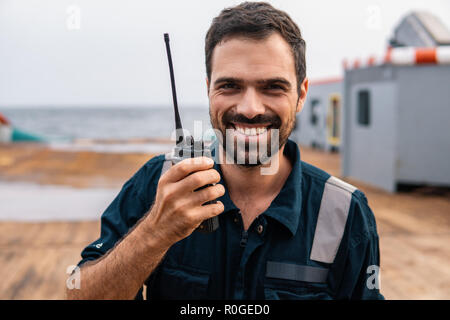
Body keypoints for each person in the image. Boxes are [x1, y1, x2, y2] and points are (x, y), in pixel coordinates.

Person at [67, 1, 383, 300]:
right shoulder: (157, 183)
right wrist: (155, 233)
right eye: (230, 86)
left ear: (301, 95)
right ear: (208, 90)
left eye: (272, 86)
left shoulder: (345, 212)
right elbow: (77, 290)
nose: (249, 108)